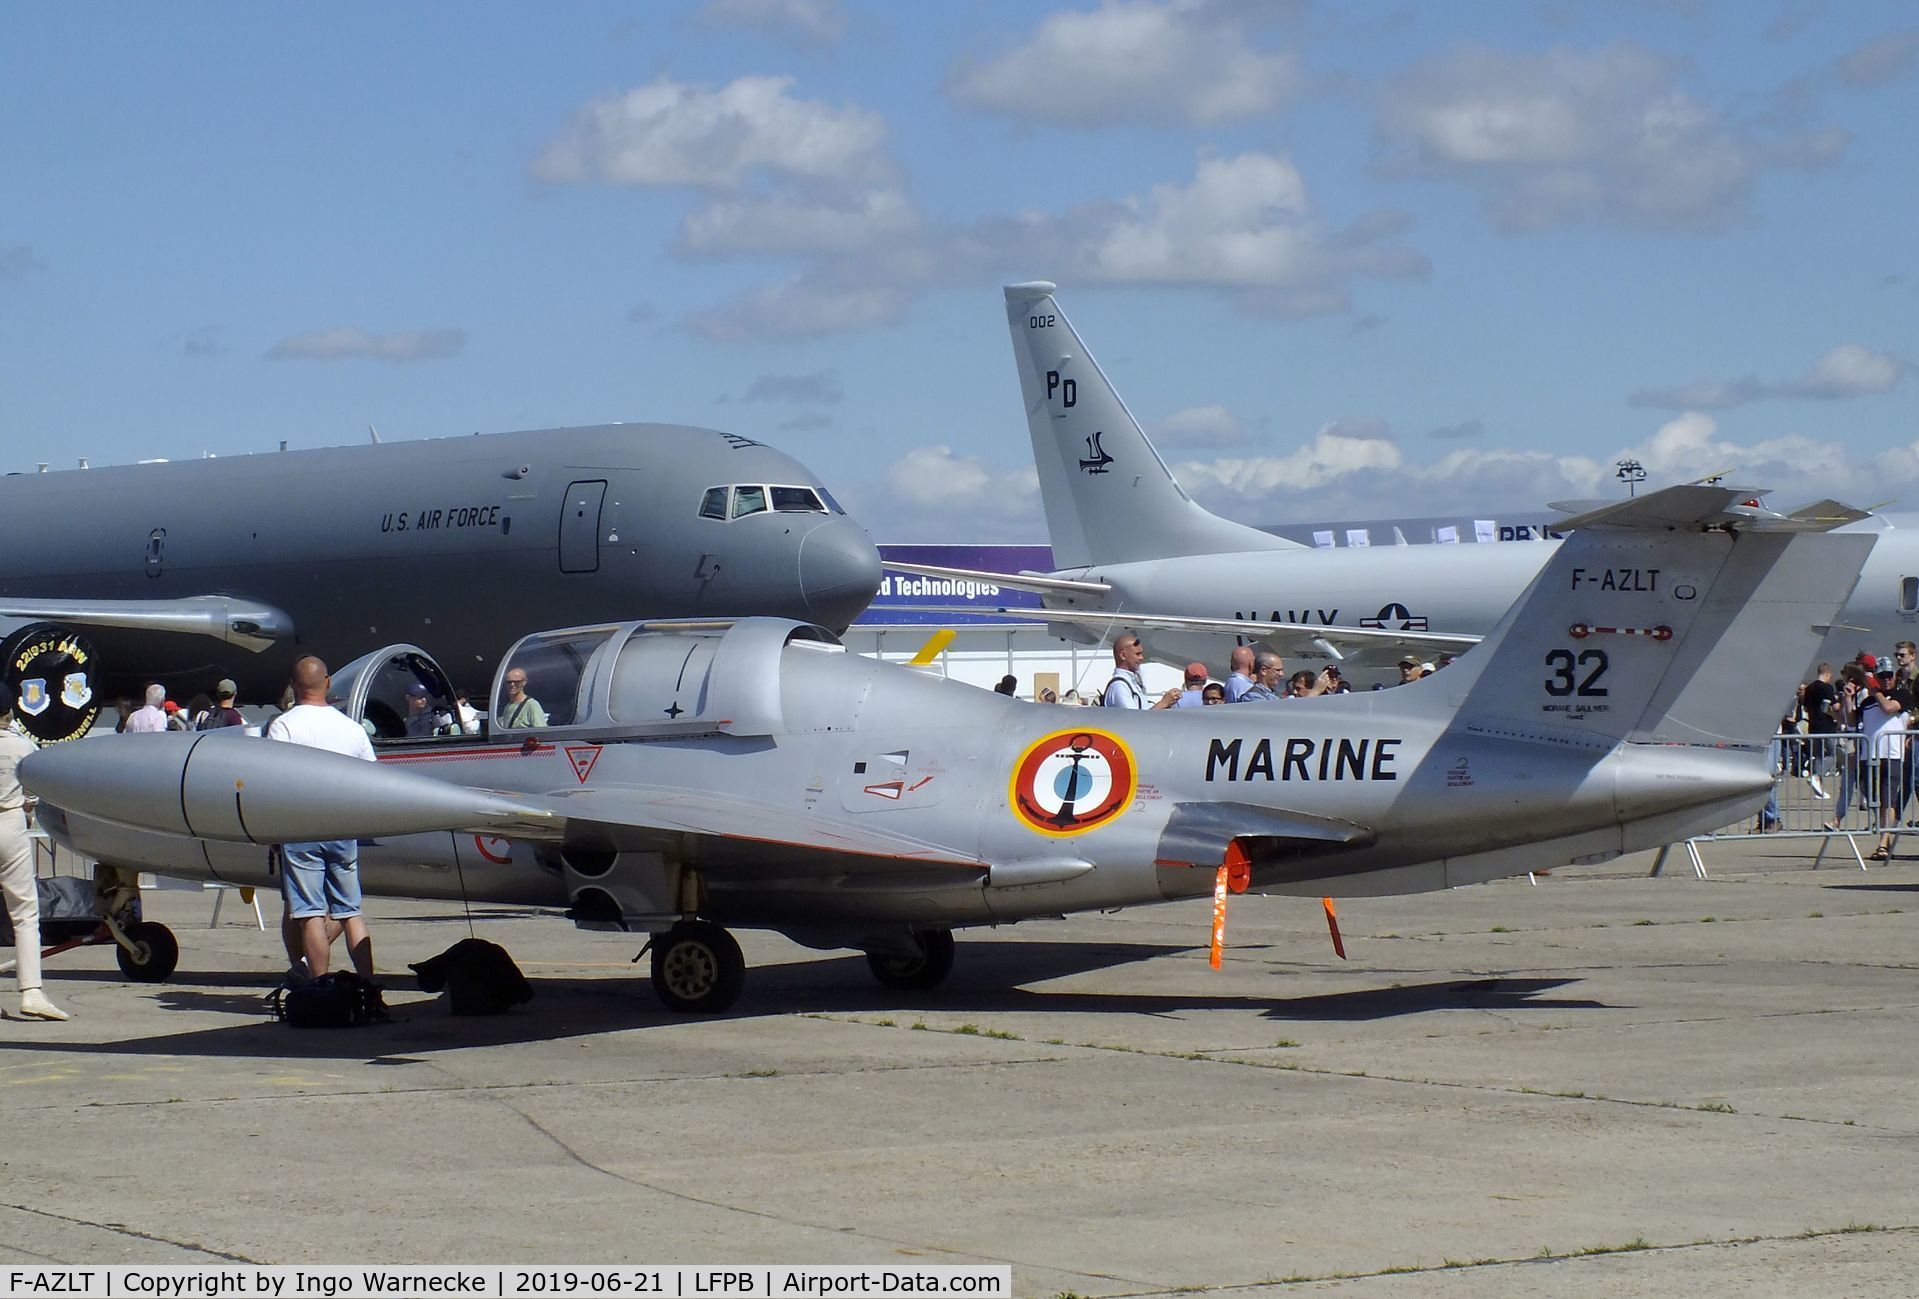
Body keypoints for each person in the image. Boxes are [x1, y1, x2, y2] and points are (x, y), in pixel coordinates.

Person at [266, 657, 378, 981]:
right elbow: (372, 780)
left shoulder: (283, 726)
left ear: (292, 684)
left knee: (309, 912)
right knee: (350, 911)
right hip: (344, 826)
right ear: (327, 683)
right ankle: (369, 986)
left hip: (300, 827)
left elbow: (272, 783)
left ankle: (319, 986)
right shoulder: (352, 728)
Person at [0, 705, 67, 1020]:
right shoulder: (22, 745)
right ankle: (31, 991)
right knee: (25, 913)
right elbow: (33, 794)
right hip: (10, 823)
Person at [1102, 634, 1178, 709]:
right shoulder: (1119, 686)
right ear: (1123, 655)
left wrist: (1168, 702)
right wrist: (1163, 703)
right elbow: (1134, 719)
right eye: (1137, 654)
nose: (1141, 658)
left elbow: (1145, 711)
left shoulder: (1132, 682)